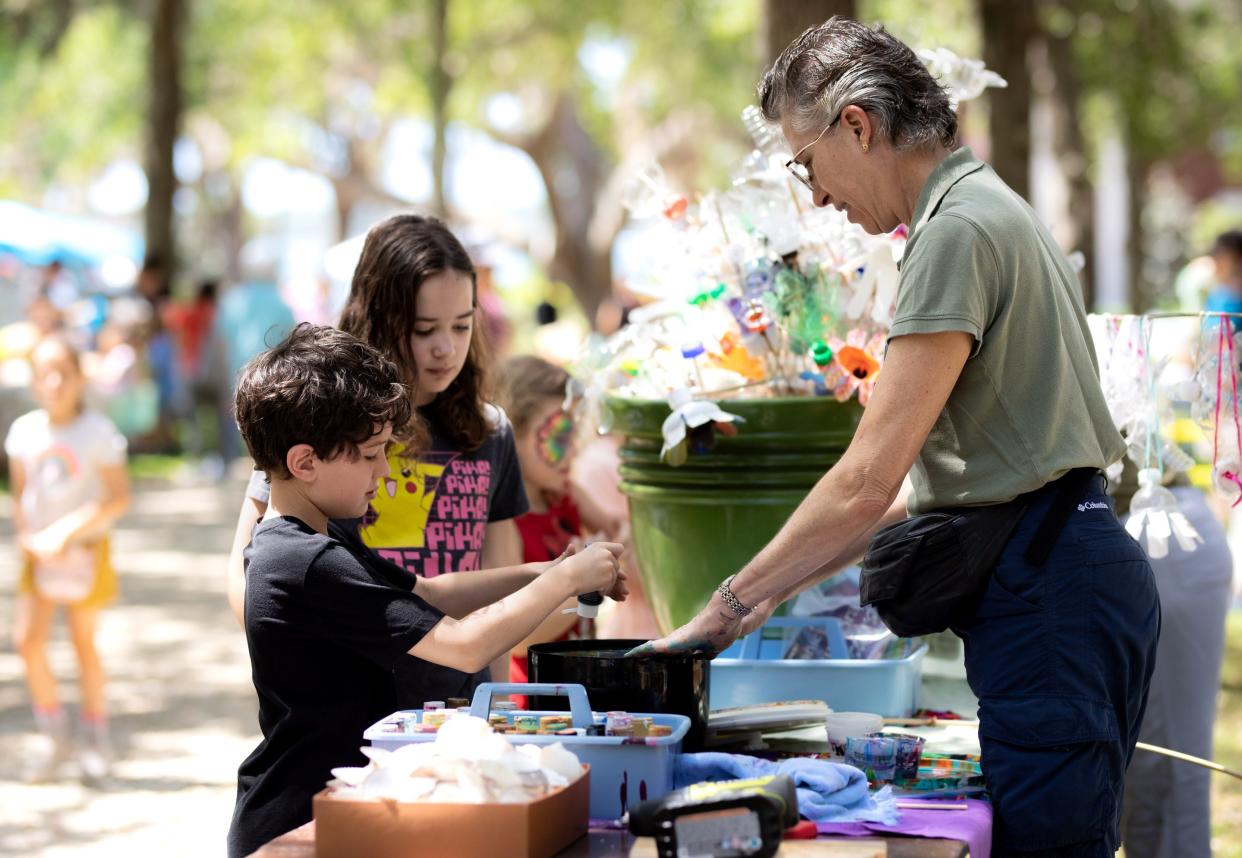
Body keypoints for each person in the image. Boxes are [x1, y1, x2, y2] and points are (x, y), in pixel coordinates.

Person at [635, 18, 1159, 858]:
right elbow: (934, 483)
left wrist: (726, 606)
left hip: (1053, 597)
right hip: (1070, 580)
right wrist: (776, 590)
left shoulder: (954, 231)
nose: (816, 195)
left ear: (856, 124)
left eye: (805, 165)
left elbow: (865, 481)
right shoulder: (988, 206)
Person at [225, 324, 623, 856]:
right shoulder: (305, 561)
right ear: (304, 462)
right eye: (369, 455)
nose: (384, 471)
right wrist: (567, 582)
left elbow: (431, 593)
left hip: (333, 810)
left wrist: (545, 571)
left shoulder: (315, 536)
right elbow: (462, 644)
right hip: (299, 822)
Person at [226, 214, 528, 705]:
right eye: (424, 328)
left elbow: (502, 584)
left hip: (458, 702)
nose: (446, 348)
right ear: (379, 318)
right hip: (348, 705)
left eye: (462, 325)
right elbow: (249, 576)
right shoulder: (317, 422)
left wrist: (497, 704)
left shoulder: (491, 432)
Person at [6, 336, 131, 783]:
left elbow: (118, 498)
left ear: (80, 377)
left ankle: (94, 738)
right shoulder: (23, 432)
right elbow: (22, 494)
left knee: (83, 644)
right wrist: (28, 535)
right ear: (34, 380)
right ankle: (54, 735)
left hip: (86, 554)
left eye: (63, 371)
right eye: (44, 373)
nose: (54, 382)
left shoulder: (97, 433)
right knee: (28, 640)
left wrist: (67, 532)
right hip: (38, 556)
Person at [493, 356, 626, 701]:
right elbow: (517, 639)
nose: (571, 453)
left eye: (573, 435)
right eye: (557, 436)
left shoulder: (565, 495)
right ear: (511, 433)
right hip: (534, 695)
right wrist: (584, 588)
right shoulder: (505, 522)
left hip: (580, 683)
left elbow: (618, 531)